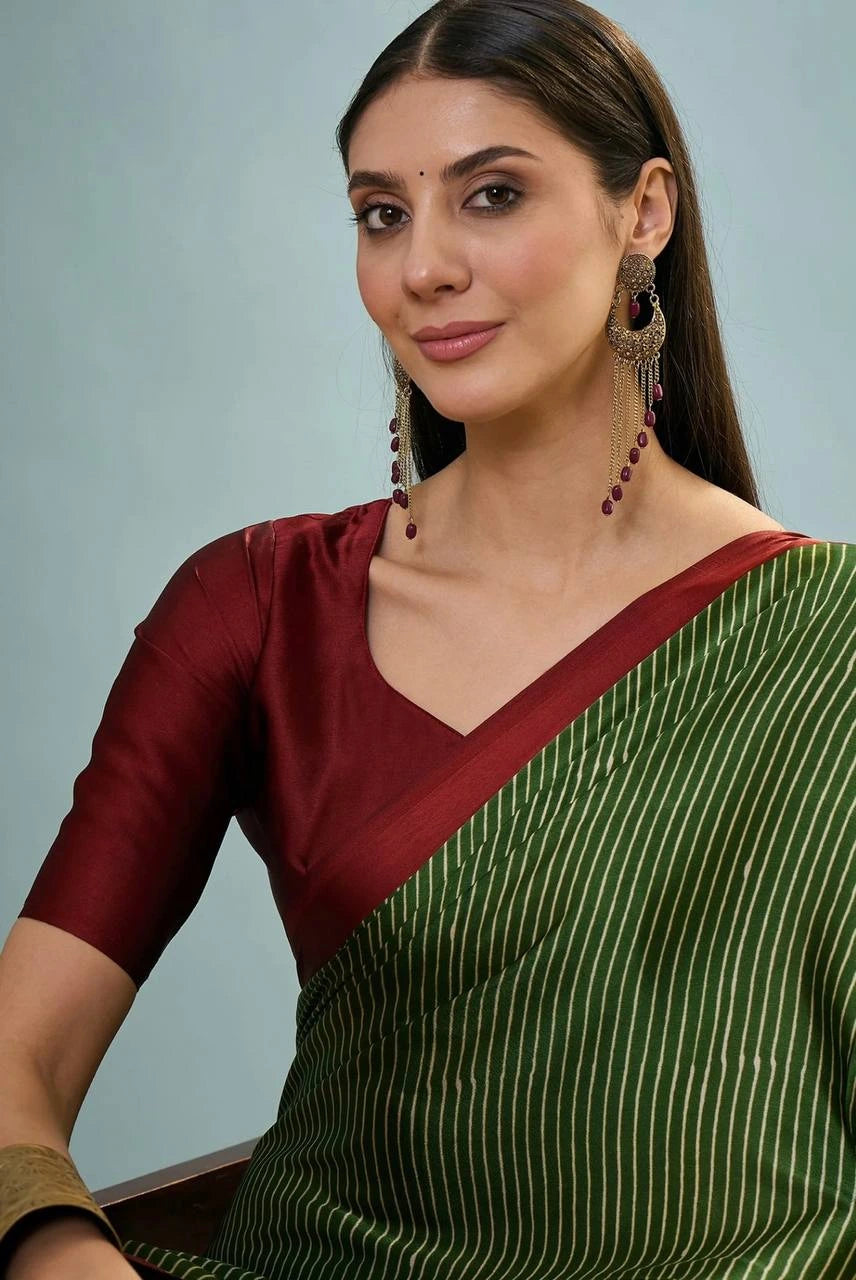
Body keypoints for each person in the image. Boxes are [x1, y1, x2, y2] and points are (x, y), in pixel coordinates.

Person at [1, 0, 853, 1276]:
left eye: (491, 195)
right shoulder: (260, 607)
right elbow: (19, 1063)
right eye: (381, 213)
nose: (423, 267)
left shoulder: (821, 640)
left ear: (644, 211)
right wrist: (57, 1248)